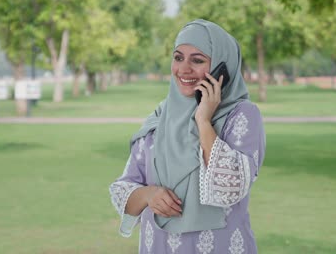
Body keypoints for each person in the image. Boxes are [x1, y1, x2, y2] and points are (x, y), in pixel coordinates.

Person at [109, 19, 266, 254]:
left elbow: (229, 189)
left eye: (198, 60)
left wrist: (203, 121)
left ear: (222, 67)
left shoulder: (242, 116)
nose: (184, 69)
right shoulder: (161, 116)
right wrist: (148, 194)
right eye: (178, 57)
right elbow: (126, 189)